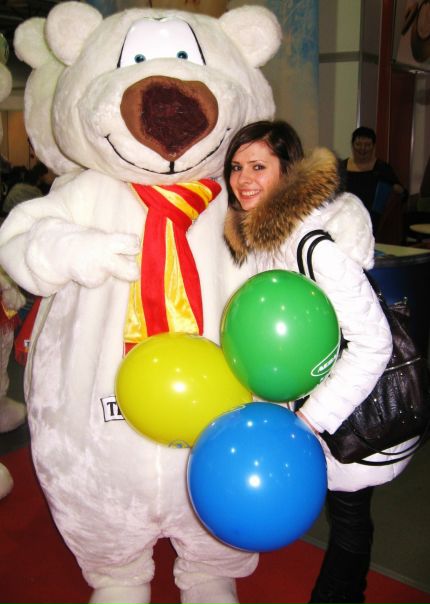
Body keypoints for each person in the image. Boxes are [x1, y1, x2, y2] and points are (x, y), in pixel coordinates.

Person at [223, 120, 416, 604]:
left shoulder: (311, 245)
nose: (243, 179)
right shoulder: (264, 237)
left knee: (349, 516)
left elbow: (373, 342)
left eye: (259, 167)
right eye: (237, 167)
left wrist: (310, 420)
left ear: (288, 170)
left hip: (348, 409)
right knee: (343, 512)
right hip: (308, 405)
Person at [339, 126, 407, 236]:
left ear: (374, 146)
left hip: (373, 223)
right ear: (352, 145)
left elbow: (403, 193)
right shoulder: (341, 167)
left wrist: (397, 190)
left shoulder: (382, 168)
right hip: (344, 220)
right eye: (358, 144)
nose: (362, 149)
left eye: (367, 145)